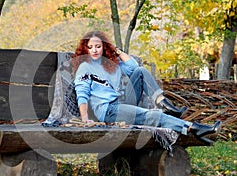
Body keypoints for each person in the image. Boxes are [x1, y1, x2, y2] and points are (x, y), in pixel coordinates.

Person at [71, 30, 221, 144]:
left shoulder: (110, 65)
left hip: (121, 104)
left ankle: (164, 103)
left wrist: (115, 50)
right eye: (90, 47)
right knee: (152, 115)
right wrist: (85, 119)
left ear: (104, 47)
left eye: (98, 46)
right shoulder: (85, 67)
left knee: (140, 71)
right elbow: (82, 94)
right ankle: (193, 128)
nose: (95, 50)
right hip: (107, 111)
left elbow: (134, 66)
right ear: (86, 49)